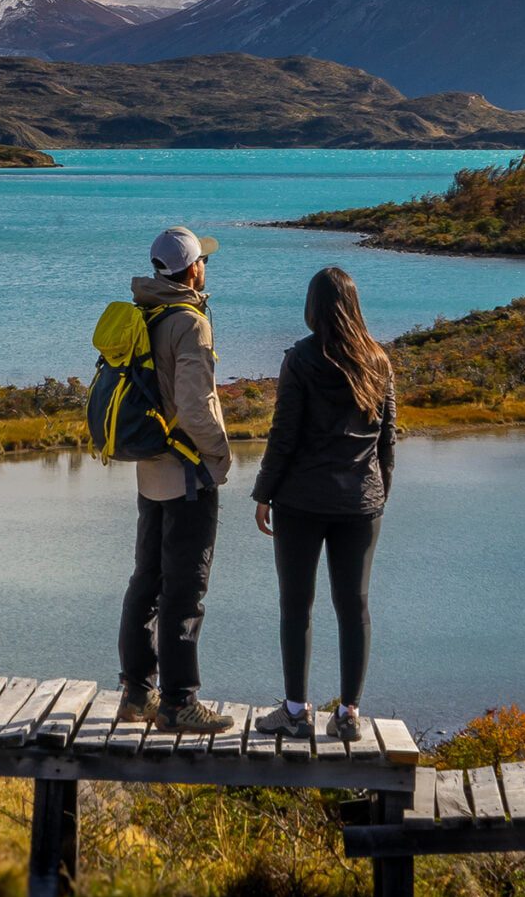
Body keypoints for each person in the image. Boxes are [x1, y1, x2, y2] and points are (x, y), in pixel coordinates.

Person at [251, 266, 396, 741]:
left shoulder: (300, 359)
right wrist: (379, 494)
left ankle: (295, 711)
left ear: (313, 307)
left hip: (300, 501)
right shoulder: (379, 361)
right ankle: (349, 714)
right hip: (360, 503)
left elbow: (284, 434)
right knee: (354, 607)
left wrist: (263, 492)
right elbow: (387, 441)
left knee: (297, 605)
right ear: (354, 307)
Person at [116, 225, 237, 733]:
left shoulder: (147, 311)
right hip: (187, 472)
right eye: (202, 260)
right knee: (186, 589)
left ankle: (137, 694)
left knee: (147, 581)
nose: (205, 266)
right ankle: (179, 702)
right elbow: (195, 403)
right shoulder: (189, 321)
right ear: (191, 269)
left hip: (151, 469)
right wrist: (220, 455)